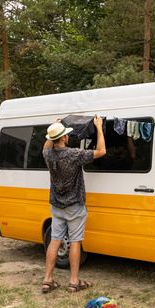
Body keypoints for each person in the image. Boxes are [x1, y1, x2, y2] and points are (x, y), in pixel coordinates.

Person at [41, 115, 106, 293]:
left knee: (55, 241)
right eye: (65, 134)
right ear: (63, 138)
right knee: (75, 242)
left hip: (56, 206)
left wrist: (52, 131)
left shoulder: (48, 155)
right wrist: (99, 127)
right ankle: (74, 281)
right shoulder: (73, 154)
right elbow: (101, 152)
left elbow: (44, 149)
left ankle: (47, 280)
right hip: (75, 206)